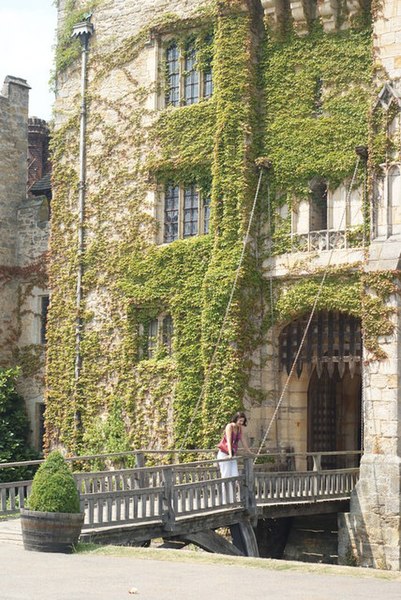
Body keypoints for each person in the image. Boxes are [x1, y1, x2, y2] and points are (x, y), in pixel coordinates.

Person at [216, 411, 253, 479]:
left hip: (232, 454)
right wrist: (230, 454)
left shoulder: (239, 428)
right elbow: (229, 441)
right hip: (224, 453)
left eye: (243, 421)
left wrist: (249, 452)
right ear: (236, 419)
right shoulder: (229, 426)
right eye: (240, 421)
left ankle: (233, 490)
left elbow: (243, 440)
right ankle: (226, 490)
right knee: (226, 476)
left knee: (235, 475)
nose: (241, 423)